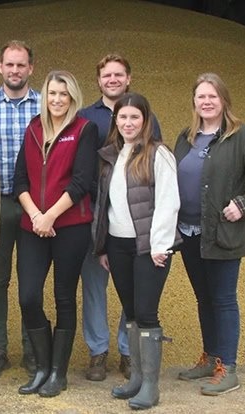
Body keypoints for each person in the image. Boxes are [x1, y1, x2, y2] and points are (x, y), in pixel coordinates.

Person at [175, 73, 245, 396]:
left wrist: (243, 205)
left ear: (223, 100)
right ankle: (211, 356)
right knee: (204, 297)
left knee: (223, 298)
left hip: (223, 233)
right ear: (194, 101)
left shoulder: (241, 136)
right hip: (189, 233)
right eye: (201, 96)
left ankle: (227, 368)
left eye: (212, 96)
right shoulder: (186, 137)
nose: (206, 102)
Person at [78, 53, 163, 381]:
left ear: (128, 78)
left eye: (118, 74)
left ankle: (129, 351)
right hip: (95, 213)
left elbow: (154, 165)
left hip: (134, 217)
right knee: (94, 286)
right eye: (106, 75)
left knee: (132, 286)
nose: (112, 80)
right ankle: (98, 351)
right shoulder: (85, 117)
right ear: (98, 80)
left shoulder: (145, 115)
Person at [93, 92, 180, 410]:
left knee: (146, 312)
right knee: (130, 311)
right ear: (115, 121)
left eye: (135, 117)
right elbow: (106, 205)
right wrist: (103, 246)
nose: (128, 123)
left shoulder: (159, 154)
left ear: (145, 121)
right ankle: (136, 379)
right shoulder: (111, 155)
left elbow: (169, 202)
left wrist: (160, 245)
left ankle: (151, 386)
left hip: (149, 247)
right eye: (123, 117)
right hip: (118, 246)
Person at [14, 70, 98, 398]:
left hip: (70, 226)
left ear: (72, 97)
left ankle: (57, 373)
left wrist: (50, 215)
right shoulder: (34, 128)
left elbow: (82, 182)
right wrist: (36, 215)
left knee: (64, 296)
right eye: (52, 93)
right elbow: (20, 179)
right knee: (28, 297)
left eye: (64, 94)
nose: (57, 99)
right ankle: (42, 367)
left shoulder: (84, 129)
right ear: (44, 96)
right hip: (32, 226)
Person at [0, 40, 41, 378]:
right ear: (0, 67)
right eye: (9, 64)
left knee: (31, 280)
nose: (15, 70)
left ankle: (32, 348)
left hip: (35, 206)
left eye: (21, 65)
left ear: (31, 68)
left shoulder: (47, 105)